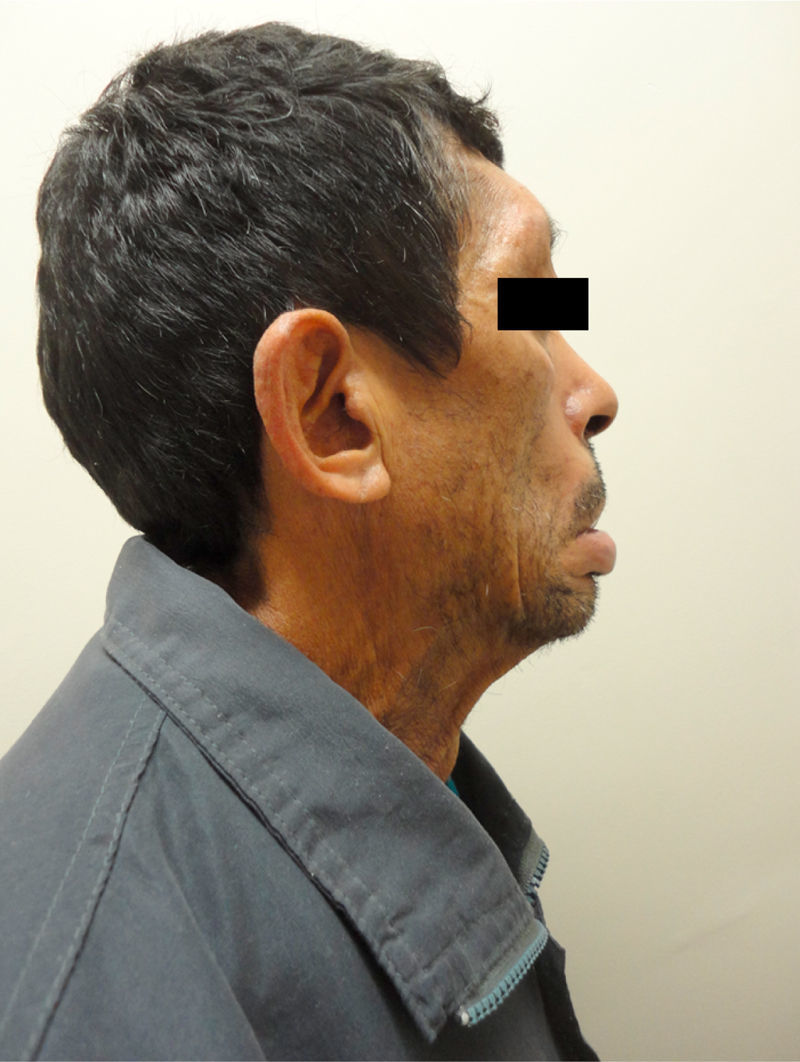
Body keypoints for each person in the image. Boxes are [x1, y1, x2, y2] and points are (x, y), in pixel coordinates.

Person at [0, 22, 617, 1061]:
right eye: (530, 310)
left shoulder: (392, 760)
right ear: (331, 415)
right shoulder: (85, 1006)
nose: (595, 395)